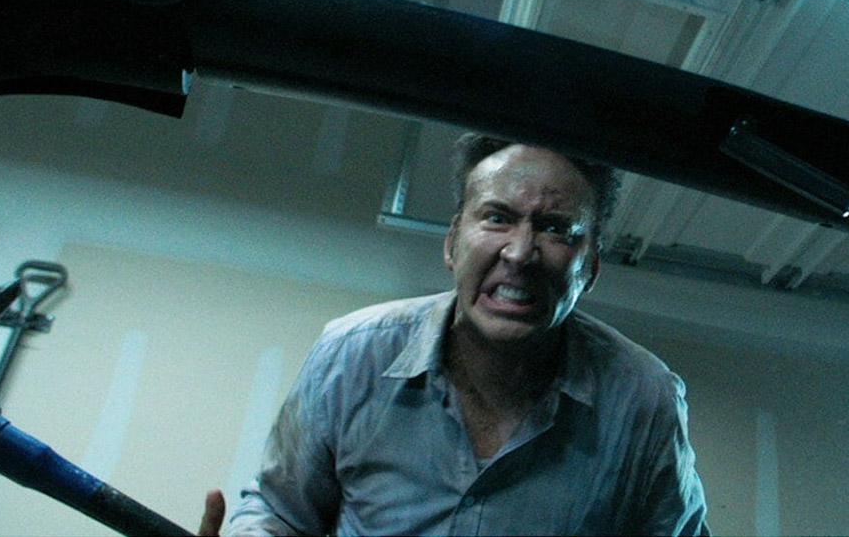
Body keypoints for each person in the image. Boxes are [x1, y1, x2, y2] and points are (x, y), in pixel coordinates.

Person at [199, 133, 709, 535]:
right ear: (451, 244)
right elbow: (280, 512)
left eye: (555, 228)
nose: (519, 253)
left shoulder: (645, 400)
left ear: (590, 268)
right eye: (497, 218)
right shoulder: (352, 354)